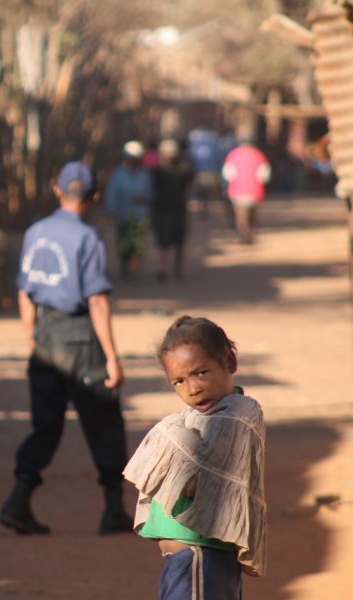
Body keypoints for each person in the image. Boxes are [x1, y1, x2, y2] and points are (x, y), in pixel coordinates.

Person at [0, 161, 133, 536]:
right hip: (78, 336)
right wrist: (111, 358)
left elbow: (24, 292)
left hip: (45, 334)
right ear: (94, 196)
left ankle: (18, 500)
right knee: (103, 419)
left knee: (45, 425)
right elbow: (97, 302)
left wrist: (33, 337)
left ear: (57, 189)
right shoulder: (88, 238)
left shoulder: (36, 231)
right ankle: (112, 510)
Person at [124, 316, 267, 599]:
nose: (193, 388)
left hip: (201, 556)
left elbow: (196, 479)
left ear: (230, 362)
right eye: (179, 381)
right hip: (190, 560)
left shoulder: (236, 415)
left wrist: (168, 432)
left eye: (201, 373)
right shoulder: (203, 416)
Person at [105, 140, 154, 278]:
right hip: (123, 214)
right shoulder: (118, 175)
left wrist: (144, 199)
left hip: (140, 215)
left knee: (138, 243)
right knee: (123, 243)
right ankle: (124, 266)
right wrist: (111, 211)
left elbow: (151, 193)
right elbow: (112, 194)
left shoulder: (145, 175)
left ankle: (135, 265)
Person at [150, 139, 193, 282]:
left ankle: (168, 269)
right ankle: (167, 269)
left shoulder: (163, 171)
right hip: (167, 211)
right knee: (169, 244)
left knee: (171, 243)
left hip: (171, 211)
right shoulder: (159, 172)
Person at [222, 140, 271, 244]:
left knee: (241, 216)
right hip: (255, 191)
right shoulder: (259, 156)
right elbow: (264, 176)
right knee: (252, 215)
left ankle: (243, 234)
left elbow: (228, 174)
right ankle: (250, 234)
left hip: (237, 191)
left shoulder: (233, 155)